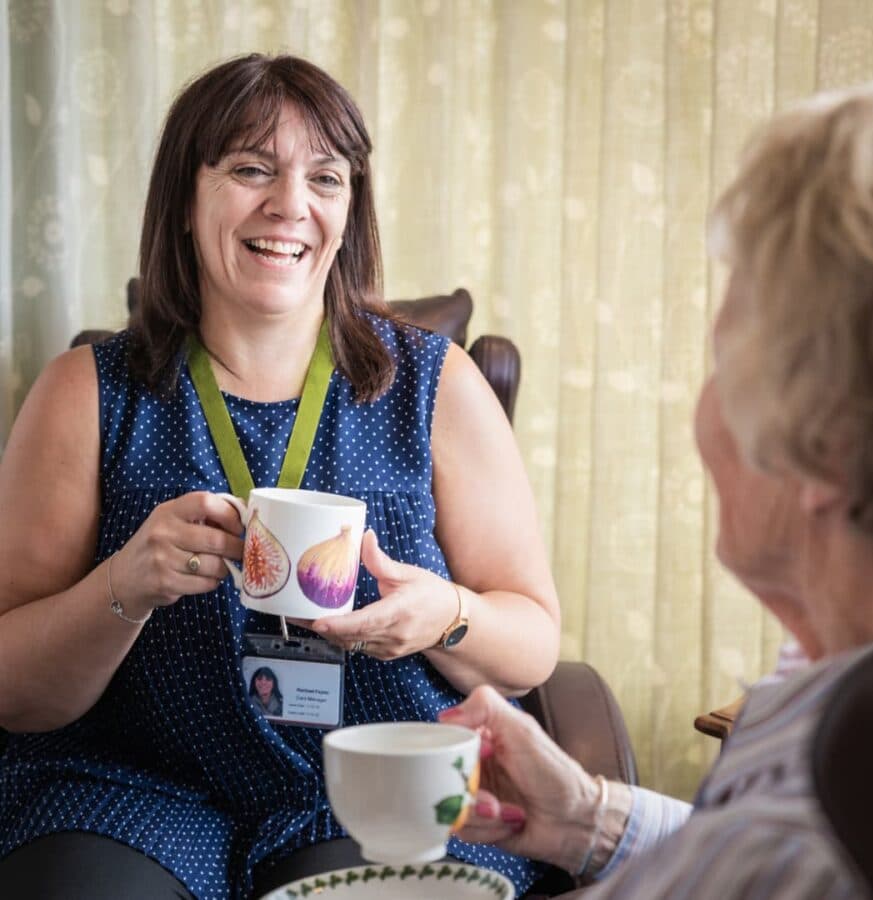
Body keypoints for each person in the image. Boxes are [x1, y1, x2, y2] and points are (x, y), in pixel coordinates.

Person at [0, 54, 559, 899]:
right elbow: (13, 691)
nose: (290, 205)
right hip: (131, 788)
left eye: (324, 178)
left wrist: (440, 615)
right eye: (251, 169)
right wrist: (122, 585)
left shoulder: (436, 386)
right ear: (185, 202)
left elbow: (532, 648)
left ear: (348, 210)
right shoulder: (86, 394)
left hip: (374, 781)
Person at [440, 72, 873, 898]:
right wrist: (588, 817)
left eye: (725, 362)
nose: (703, 414)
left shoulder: (803, 848)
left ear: (827, 444)